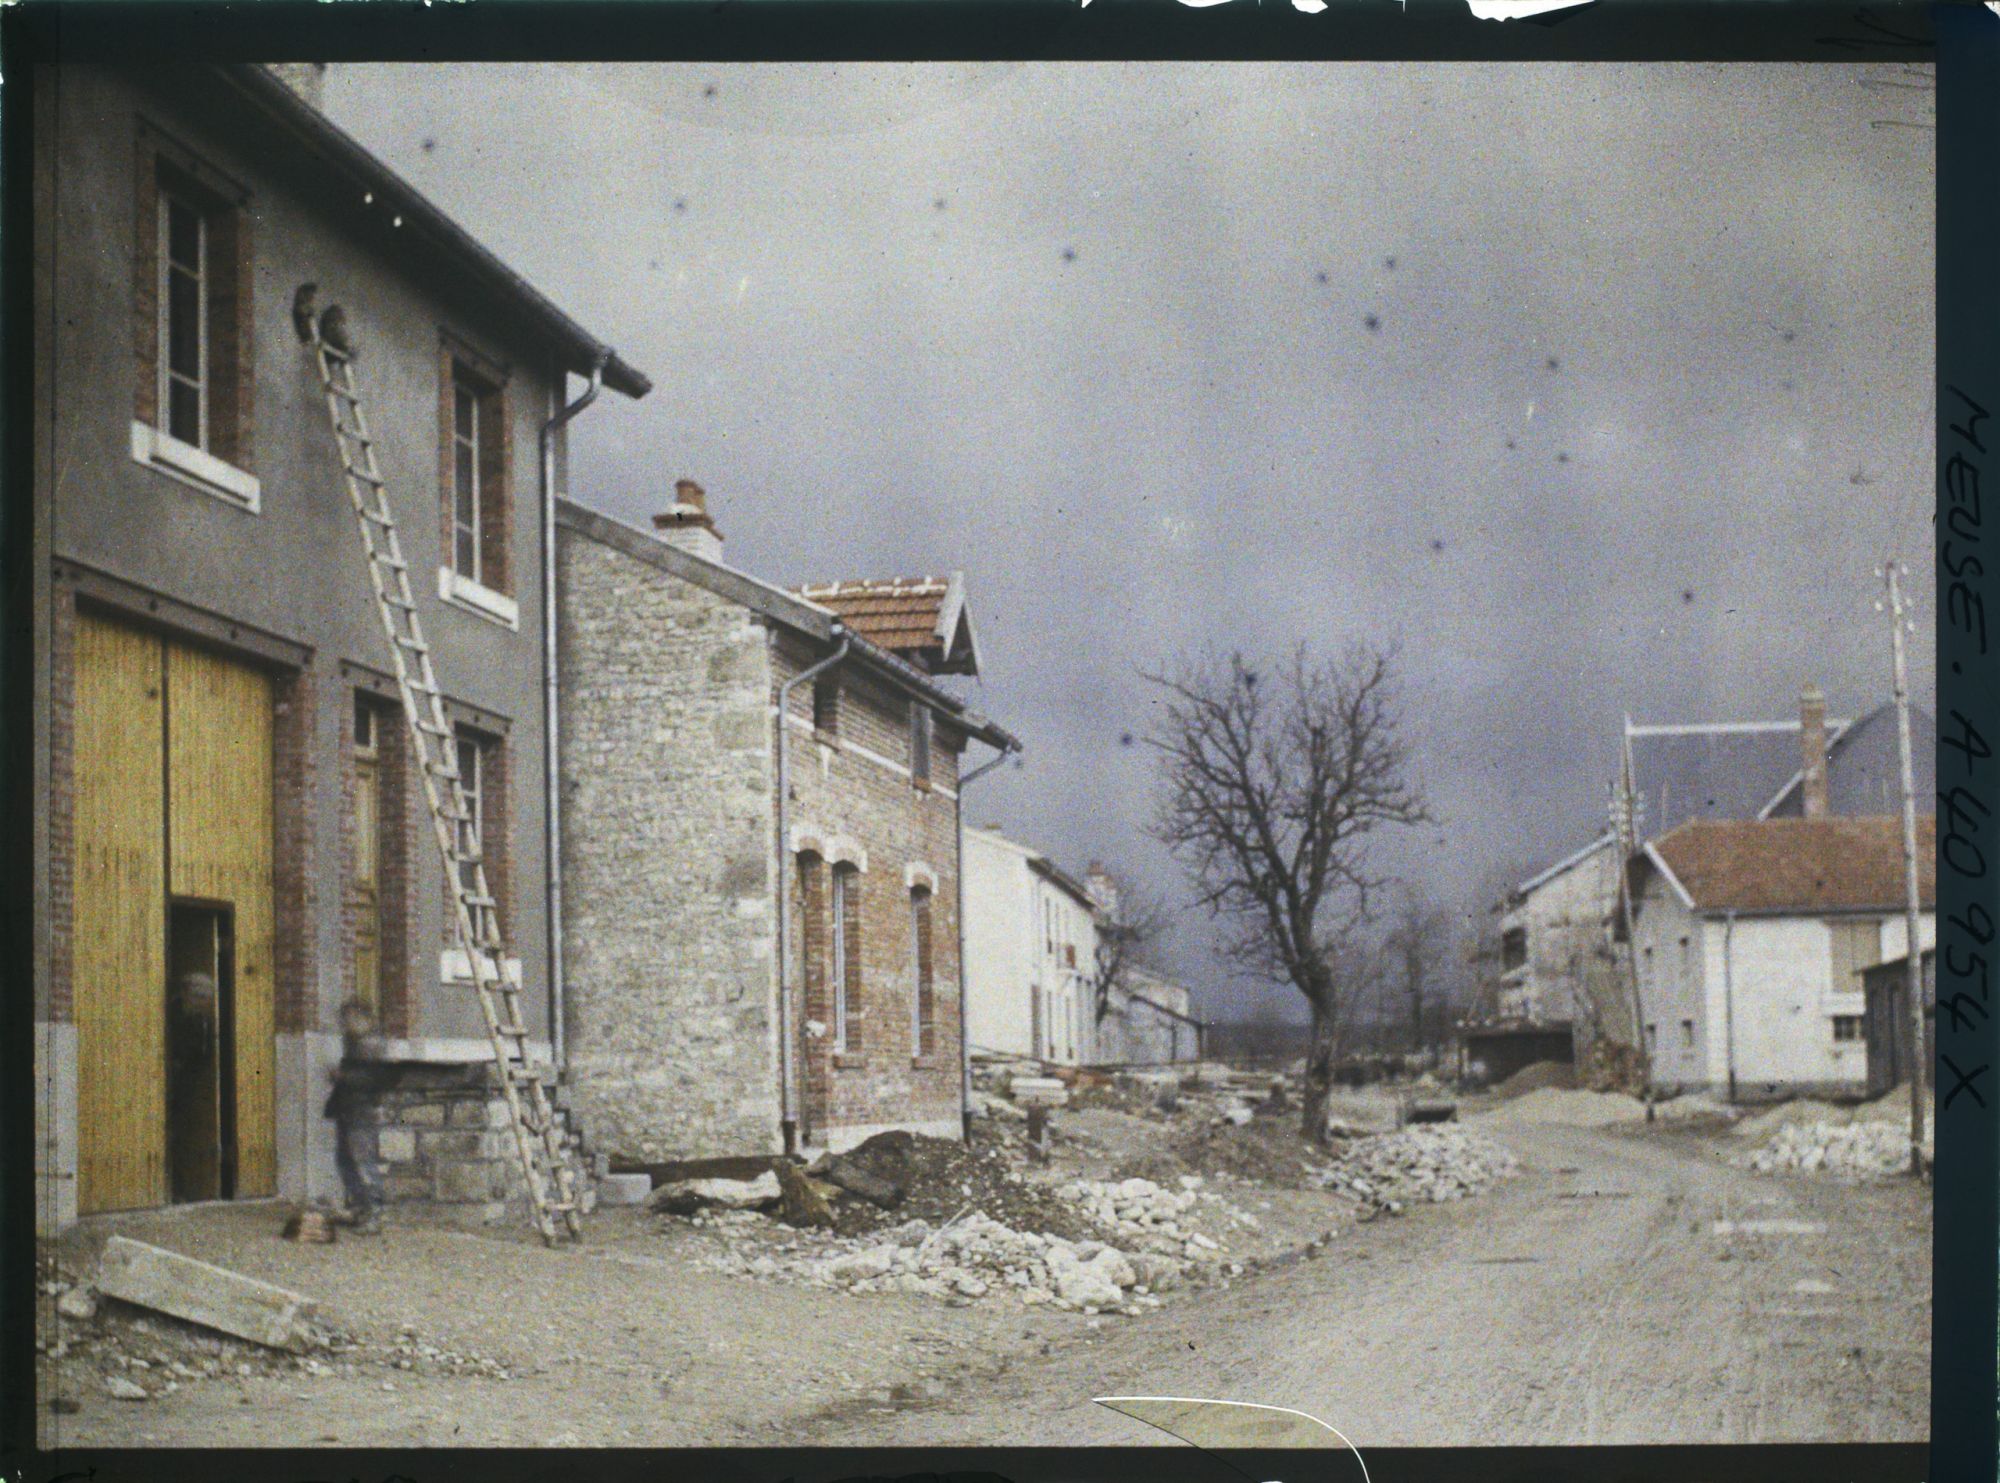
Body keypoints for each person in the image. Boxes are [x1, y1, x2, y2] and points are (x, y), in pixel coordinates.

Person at [324, 997, 386, 1233]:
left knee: (362, 1162)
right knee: (345, 1161)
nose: (345, 1023)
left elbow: (374, 1080)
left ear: (364, 1019)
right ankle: (361, 1210)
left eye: (349, 1018)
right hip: (348, 1108)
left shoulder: (371, 1044)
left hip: (362, 1110)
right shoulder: (354, 1042)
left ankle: (373, 1214)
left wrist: (342, 1077)